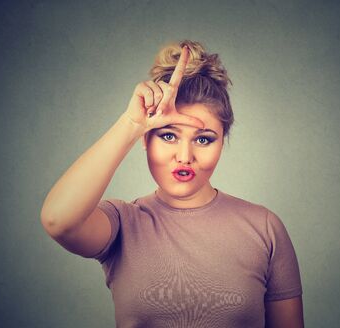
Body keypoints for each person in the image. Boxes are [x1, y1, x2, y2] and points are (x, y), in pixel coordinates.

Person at [40, 40, 304, 328]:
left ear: (221, 142)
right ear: (146, 138)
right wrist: (131, 123)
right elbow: (57, 220)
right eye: (168, 136)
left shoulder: (265, 228)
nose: (184, 156)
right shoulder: (122, 224)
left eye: (203, 139)